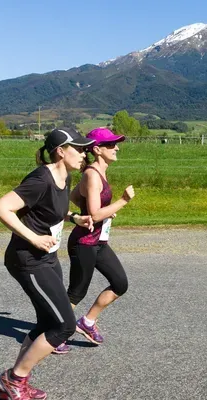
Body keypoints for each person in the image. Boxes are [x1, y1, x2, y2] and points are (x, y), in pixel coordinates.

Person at [0, 128, 94, 400]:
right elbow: (0, 208)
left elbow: (51, 209)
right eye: (80, 148)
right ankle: (15, 379)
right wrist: (33, 238)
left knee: (47, 321)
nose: (85, 153)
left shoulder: (65, 176)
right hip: (28, 260)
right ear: (61, 151)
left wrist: (74, 217)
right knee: (64, 325)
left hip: (47, 258)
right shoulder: (40, 178)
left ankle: (17, 380)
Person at [67, 128, 135, 345]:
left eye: (115, 144)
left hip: (99, 242)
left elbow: (76, 196)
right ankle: (54, 333)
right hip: (84, 243)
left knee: (119, 283)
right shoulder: (91, 174)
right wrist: (122, 201)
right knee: (76, 293)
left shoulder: (96, 172)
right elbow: (95, 215)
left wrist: (100, 210)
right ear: (97, 149)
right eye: (110, 145)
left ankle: (87, 322)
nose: (116, 148)